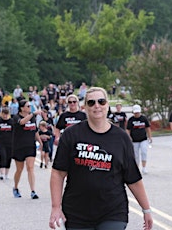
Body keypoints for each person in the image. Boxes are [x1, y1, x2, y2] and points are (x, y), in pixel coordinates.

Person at [49, 87, 153, 230]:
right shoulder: (71, 135)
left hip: (113, 211)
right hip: (77, 212)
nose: (97, 106)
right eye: (91, 103)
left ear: (107, 105)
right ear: (84, 107)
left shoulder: (121, 138)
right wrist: (56, 207)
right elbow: (58, 173)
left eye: (101, 101)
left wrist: (146, 209)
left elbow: (133, 178)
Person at [12, 99, 44, 199]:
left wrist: (39, 141)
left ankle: (33, 191)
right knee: (19, 169)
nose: (29, 108)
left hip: (30, 145)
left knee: (30, 167)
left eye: (30, 106)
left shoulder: (32, 118)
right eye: (27, 106)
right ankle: (16, 187)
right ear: (22, 108)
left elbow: (35, 130)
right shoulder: (16, 117)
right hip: (19, 146)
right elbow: (22, 122)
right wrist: (33, 114)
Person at [126, 104, 152, 174]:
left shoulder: (144, 118)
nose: (136, 114)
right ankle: (136, 169)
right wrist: (129, 138)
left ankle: (144, 167)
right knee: (136, 155)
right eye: (135, 113)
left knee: (144, 152)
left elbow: (148, 128)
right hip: (134, 140)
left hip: (143, 139)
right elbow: (128, 130)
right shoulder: (131, 120)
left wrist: (150, 137)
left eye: (137, 113)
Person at [0, 108, 14, 180]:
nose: (5, 116)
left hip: (10, 142)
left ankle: (7, 174)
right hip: (1, 142)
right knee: (2, 156)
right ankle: (2, 173)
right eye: (4, 114)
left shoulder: (12, 122)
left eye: (6, 114)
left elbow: (15, 133)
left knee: (8, 157)